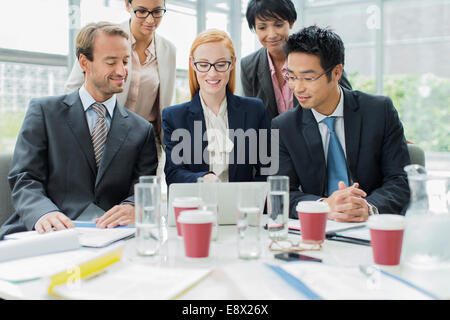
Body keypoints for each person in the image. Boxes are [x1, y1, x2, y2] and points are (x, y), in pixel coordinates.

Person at [0, 22, 158, 239]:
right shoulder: (44, 112)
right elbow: (24, 178)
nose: (121, 71)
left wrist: (133, 207)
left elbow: (144, 187)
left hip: (109, 236)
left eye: (125, 61)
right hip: (46, 233)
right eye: (111, 62)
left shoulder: (142, 130)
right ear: (85, 62)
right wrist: (44, 213)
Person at [272, 26, 410, 221]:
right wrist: (323, 206)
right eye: (292, 77)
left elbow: (400, 180)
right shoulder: (284, 127)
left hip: (371, 226)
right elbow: (281, 193)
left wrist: (368, 207)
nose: (298, 87)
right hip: (320, 227)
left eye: (308, 78)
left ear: (336, 73)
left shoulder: (379, 111)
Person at [65, 0, 175, 175]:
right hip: (105, 133)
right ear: (127, 6)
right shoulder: (107, 38)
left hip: (146, 138)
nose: (150, 20)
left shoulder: (168, 49)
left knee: (142, 195)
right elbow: (73, 88)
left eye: (157, 12)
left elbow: (165, 101)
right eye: (141, 11)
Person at [162, 29, 270, 185]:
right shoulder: (174, 117)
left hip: (243, 205)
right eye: (204, 64)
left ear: (232, 63)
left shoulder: (254, 110)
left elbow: (268, 170)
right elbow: (173, 174)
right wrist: (204, 178)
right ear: (192, 64)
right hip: (198, 206)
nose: (212, 73)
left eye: (220, 64)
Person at [241, 0, 352, 120]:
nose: (271, 34)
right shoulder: (248, 65)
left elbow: (345, 99)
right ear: (254, 29)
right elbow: (252, 114)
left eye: (278, 25)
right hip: (271, 137)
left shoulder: (315, 54)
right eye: (262, 27)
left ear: (291, 23)